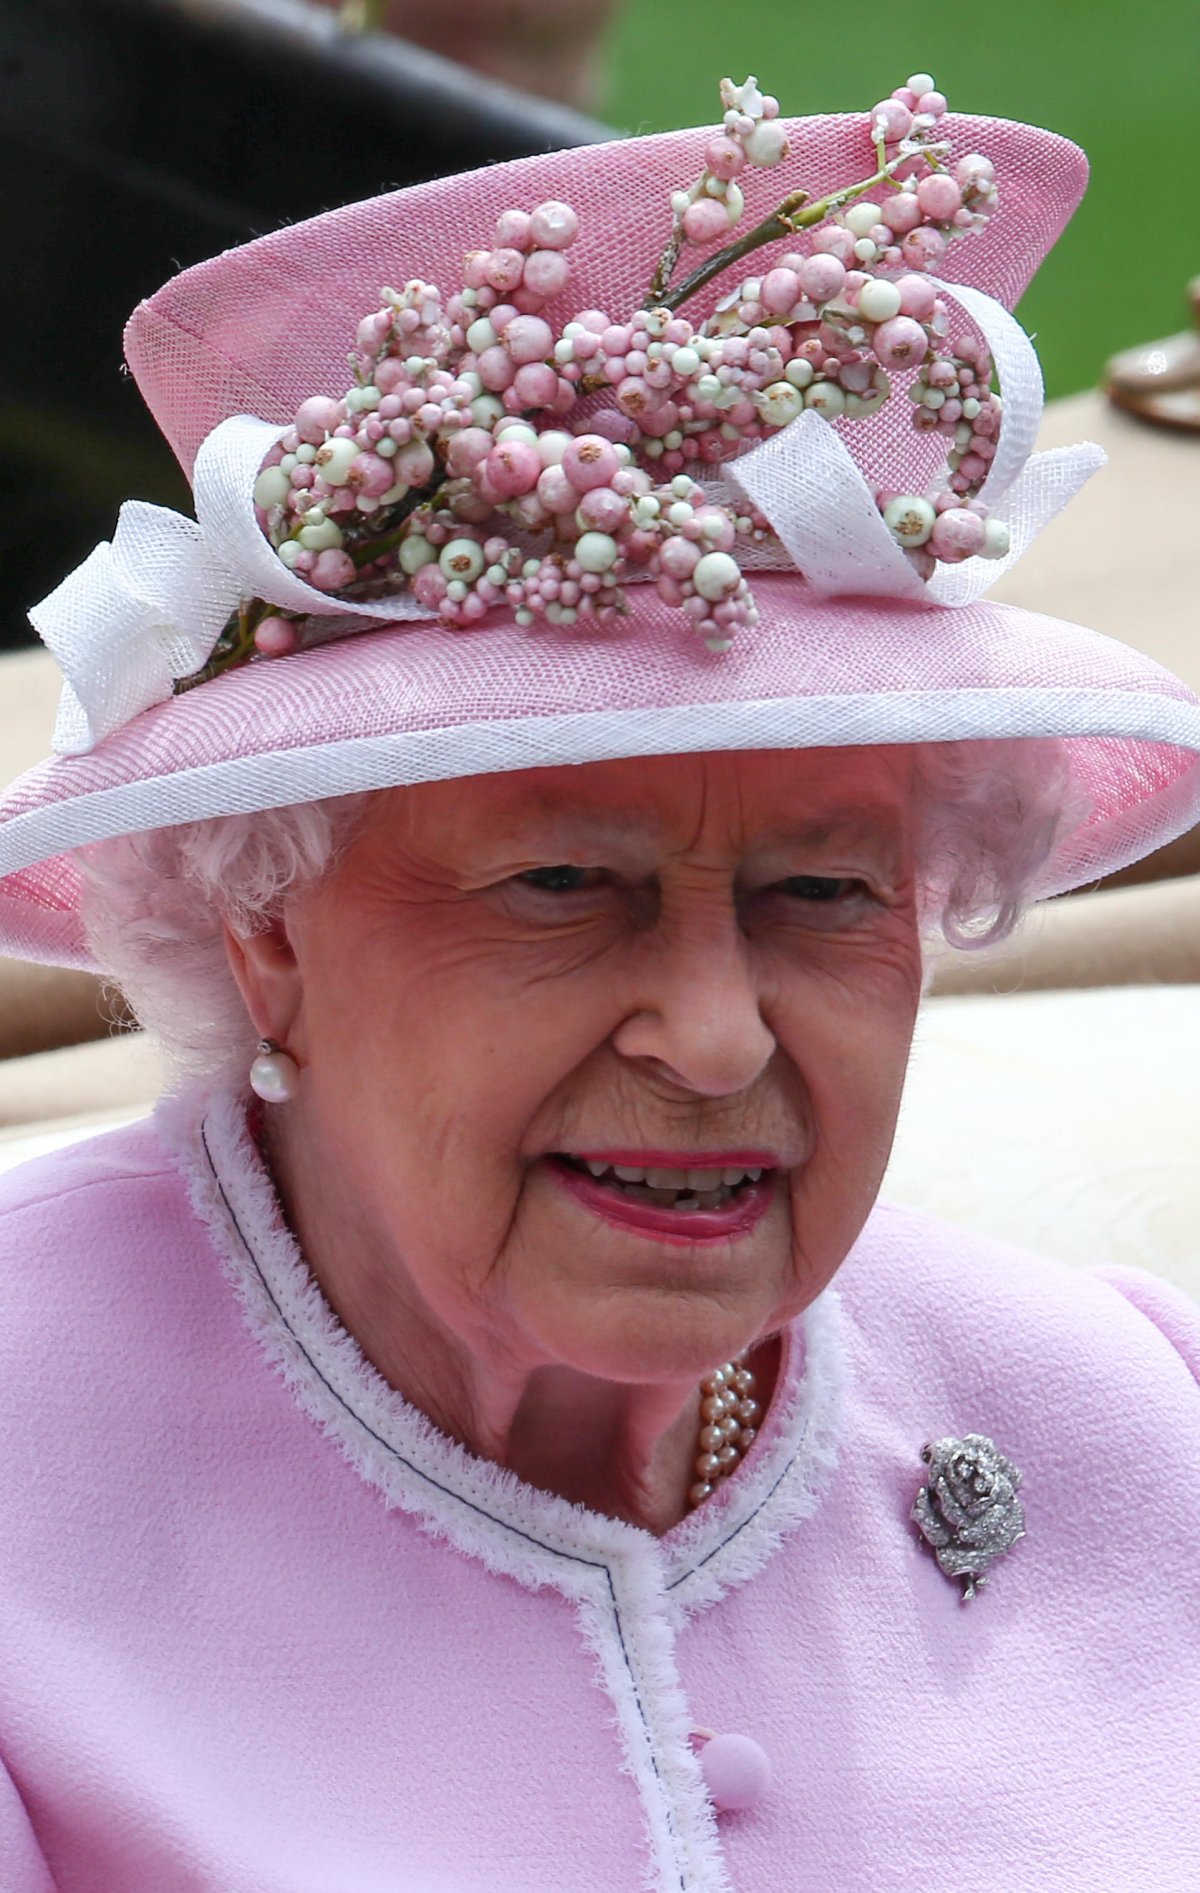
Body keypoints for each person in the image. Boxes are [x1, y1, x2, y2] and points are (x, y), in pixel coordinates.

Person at [1, 72, 1198, 1892]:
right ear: (265, 932)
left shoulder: (1131, 1409)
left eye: (822, 891)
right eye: (566, 885)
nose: (718, 1039)